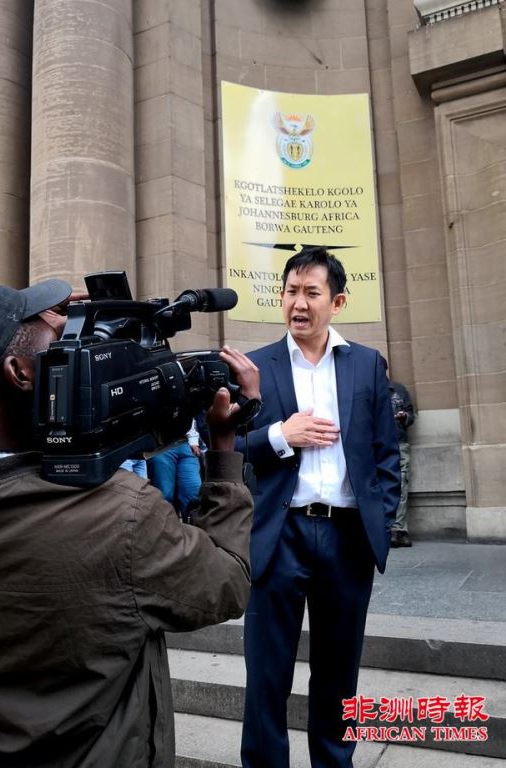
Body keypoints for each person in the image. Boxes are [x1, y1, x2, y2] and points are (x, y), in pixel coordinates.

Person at [0, 279, 259, 768]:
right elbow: (226, 584)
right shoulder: (120, 514)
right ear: (21, 373)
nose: (72, 341)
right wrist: (223, 456)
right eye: (58, 339)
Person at [239, 247, 401, 768]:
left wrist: (379, 522)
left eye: (312, 292)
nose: (299, 303)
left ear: (338, 302)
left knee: (338, 675)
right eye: (291, 291)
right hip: (278, 535)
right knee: (266, 675)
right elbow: (228, 445)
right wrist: (279, 436)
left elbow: (385, 455)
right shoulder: (257, 366)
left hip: (347, 538)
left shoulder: (366, 364)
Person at [147, 420, 203, 518]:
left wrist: (194, 441)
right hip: (161, 446)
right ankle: (169, 526)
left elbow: (189, 417)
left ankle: (193, 525)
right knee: (165, 495)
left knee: (193, 492)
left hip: (186, 443)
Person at [387, 378, 416, 548]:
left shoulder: (398, 389)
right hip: (375, 446)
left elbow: (411, 416)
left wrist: (404, 416)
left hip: (399, 443)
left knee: (401, 486)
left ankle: (398, 529)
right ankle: (386, 529)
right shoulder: (365, 388)